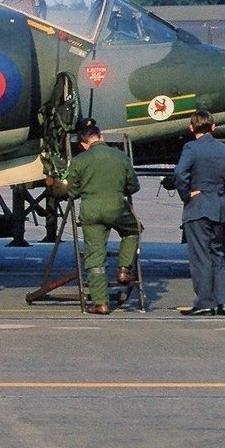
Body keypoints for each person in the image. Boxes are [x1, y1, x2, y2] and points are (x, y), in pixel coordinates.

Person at [64, 122, 141, 314]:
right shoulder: (121, 157)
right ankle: (124, 269)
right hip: (116, 207)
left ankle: (101, 303)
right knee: (133, 231)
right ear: (102, 137)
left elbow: (72, 191)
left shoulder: (80, 160)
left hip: (90, 211)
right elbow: (133, 186)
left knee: (95, 255)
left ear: (83, 144)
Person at [173, 110, 225, 316]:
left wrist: (186, 194)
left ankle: (205, 301)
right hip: (219, 206)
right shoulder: (223, 149)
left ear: (191, 128)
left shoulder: (191, 148)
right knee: (217, 254)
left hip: (198, 206)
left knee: (200, 256)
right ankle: (222, 301)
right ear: (213, 127)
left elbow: (179, 172)